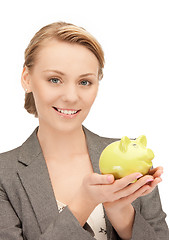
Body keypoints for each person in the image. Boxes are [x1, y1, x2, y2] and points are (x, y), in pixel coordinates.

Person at [0, 21, 168, 240]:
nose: (71, 96)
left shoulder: (130, 157)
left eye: (85, 82)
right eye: (55, 79)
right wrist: (83, 204)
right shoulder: (4, 174)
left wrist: (121, 212)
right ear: (26, 79)